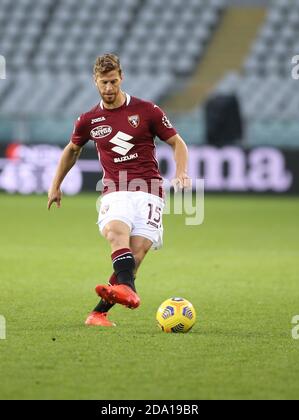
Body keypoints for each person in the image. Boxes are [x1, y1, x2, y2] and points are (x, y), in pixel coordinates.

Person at [47, 54, 191, 327]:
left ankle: (98, 313)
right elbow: (72, 150)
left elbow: (177, 142)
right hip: (116, 188)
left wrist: (182, 172)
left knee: (135, 256)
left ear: (121, 77)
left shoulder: (147, 110)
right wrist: (56, 185)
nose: (109, 88)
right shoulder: (89, 119)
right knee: (116, 232)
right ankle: (129, 290)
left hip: (149, 189)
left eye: (113, 81)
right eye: (104, 83)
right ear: (95, 81)